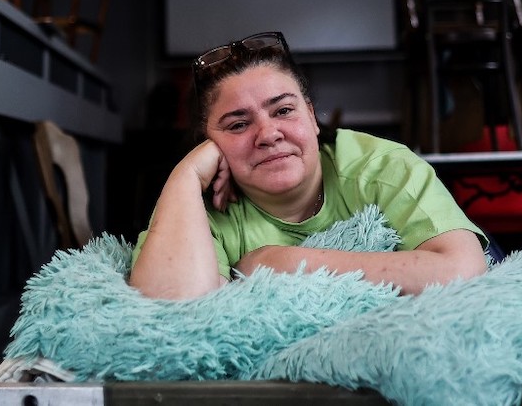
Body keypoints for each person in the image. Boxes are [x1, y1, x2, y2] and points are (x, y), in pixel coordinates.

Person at [129, 31, 489, 300]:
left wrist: (279, 263)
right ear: (208, 146)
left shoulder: (382, 167)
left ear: (313, 117)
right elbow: (167, 315)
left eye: (284, 110)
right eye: (238, 124)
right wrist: (186, 175)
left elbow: (465, 270)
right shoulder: (199, 212)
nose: (268, 134)